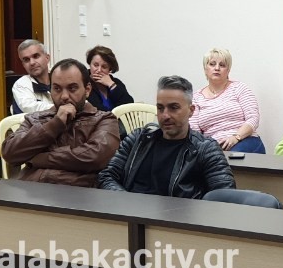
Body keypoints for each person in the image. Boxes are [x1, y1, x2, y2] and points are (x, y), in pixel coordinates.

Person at [99, 76, 235, 197]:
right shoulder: (138, 140)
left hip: (178, 216)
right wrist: (126, 202)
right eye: (160, 108)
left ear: (191, 111)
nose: (165, 115)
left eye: (173, 108)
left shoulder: (205, 149)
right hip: (130, 213)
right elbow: (107, 176)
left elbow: (225, 196)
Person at [1, 59, 120, 187]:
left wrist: (40, 159)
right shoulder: (35, 118)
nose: (64, 96)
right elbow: (10, 153)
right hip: (30, 192)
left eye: (72, 88)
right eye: (57, 88)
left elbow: (96, 158)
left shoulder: (104, 120)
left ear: (87, 90)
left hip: (76, 194)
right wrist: (55, 124)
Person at [189, 48, 265, 153]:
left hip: (244, 140)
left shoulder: (239, 88)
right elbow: (194, 133)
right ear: (205, 69)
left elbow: (253, 119)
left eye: (222, 65)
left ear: (228, 70)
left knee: (228, 159)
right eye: (212, 64)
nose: (217, 68)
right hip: (213, 148)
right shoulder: (196, 98)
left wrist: (236, 137)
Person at [85, 45, 134, 111]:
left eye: (104, 67)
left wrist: (111, 84)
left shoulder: (115, 82)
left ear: (109, 69)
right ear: (90, 64)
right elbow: (97, 110)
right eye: (95, 65)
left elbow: (129, 106)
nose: (99, 70)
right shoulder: (84, 83)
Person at [11, 39, 53, 113]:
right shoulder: (21, 85)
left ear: (47, 58)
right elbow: (30, 108)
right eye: (26, 60)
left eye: (36, 56)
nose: (32, 63)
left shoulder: (60, 76)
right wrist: (59, 108)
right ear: (23, 65)